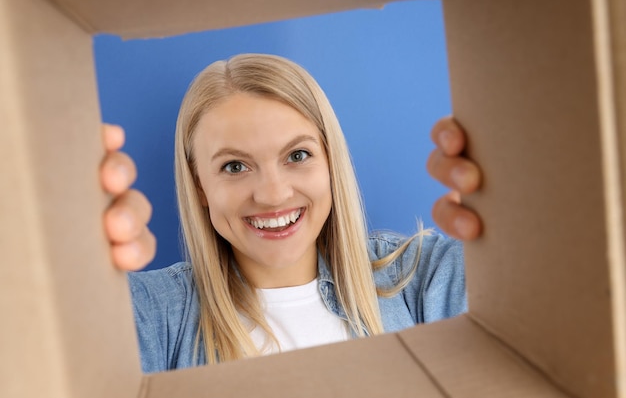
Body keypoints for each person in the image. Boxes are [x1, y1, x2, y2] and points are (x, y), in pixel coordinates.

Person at [100, 54, 482, 373]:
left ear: (330, 162)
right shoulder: (154, 313)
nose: (273, 194)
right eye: (235, 166)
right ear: (199, 184)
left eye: (297, 156)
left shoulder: (422, 280)